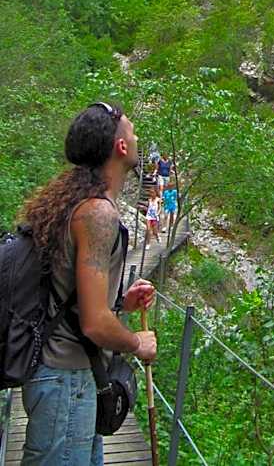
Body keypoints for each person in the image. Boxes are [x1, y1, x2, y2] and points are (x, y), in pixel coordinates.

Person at [18, 102, 158, 466]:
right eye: (132, 130)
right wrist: (136, 343)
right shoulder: (97, 213)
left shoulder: (76, 203)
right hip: (66, 381)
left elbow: (70, 296)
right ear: (120, 146)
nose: (137, 136)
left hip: (62, 379)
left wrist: (119, 305)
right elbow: (93, 324)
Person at [161, 178, 178, 243]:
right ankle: (164, 227)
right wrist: (163, 201)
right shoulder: (166, 192)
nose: (170, 187)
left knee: (172, 215)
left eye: (171, 186)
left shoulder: (174, 192)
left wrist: (175, 202)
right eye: (169, 186)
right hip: (167, 205)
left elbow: (176, 197)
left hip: (172, 205)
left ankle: (171, 225)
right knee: (165, 216)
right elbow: (164, 198)